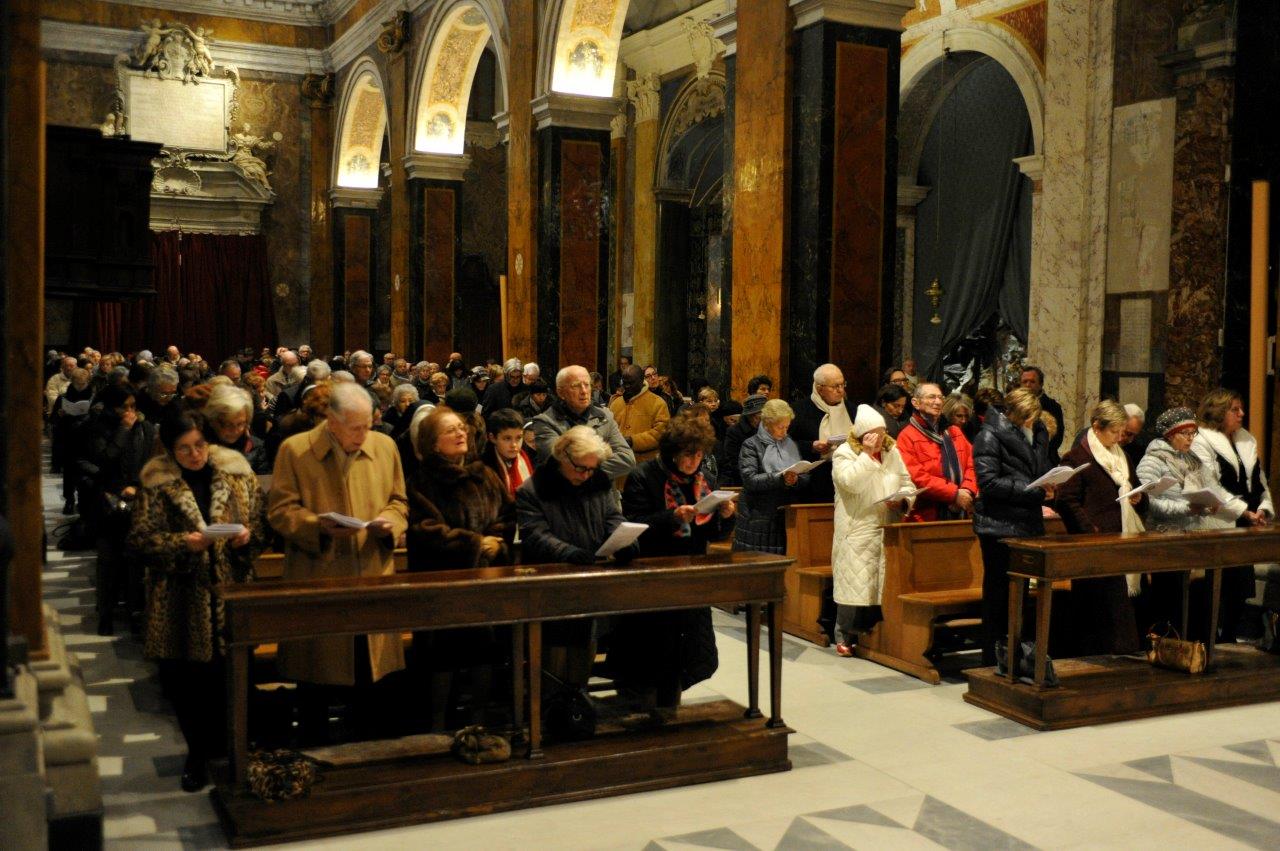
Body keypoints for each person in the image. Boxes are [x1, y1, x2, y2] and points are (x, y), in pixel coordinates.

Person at [126, 411, 267, 791]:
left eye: (200, 445)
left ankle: (236, 751)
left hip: (232, 593)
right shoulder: (158, 482)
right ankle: (198, 755)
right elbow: (140, 541)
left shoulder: (237, 474)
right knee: (189, 686)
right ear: (170, 450)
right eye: (184, 448)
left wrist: (247, 538)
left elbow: (261, 524)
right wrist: (182, 544)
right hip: (181, 599)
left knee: (233, 679)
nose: (194, 454)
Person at [267, 382, 409, 740]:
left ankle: (370, 753)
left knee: (371, 677)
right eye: (355, 428)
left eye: (368, 426)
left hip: (371, 574)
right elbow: (280, 511)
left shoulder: (384, 446)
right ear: (331, 421)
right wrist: (317, 526)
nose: (363, 435)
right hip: (319, 576)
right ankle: (313, 752)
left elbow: (398, 501)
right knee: (316, 678)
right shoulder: (295, 451)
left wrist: (391, 522)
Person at [406, 407, 515, 730]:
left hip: (485, 581)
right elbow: (425, 530)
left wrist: (497, 542)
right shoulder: (423, 480)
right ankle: (437, 726)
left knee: (484, 652)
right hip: (443, 584)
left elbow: (508, 515)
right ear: (433, 443)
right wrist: (474, 544)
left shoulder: (484, 474)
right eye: (450, 430)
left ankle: (479, 724)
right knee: (443, 657)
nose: (460, 433)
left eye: (461, 428)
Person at [617, 413, 733, 709]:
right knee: (653, 658)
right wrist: (672, 517)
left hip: (691, 578)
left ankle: (671, 712)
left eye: (699, 455)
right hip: (652, 577)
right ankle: (645, 713)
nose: (694, 461)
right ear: (672, 452)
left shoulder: (704, 480)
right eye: (688, 455)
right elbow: (632, 526)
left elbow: (712, 534)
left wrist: (725, 516)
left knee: (687, 656)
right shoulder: (644, 476)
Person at [517, 427, 636, 709]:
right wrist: (568, 552)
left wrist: (623, 541)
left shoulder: (597, 480)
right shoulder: (534, 488)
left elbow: (612, 516)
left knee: (584, 649)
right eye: (581, 468)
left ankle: (578, 708)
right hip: (551, 585)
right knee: (554, 656)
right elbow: (535, 534)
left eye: (592, 469)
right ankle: (549, 711)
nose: (586, 476)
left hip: (589, 580)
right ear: (563, 457)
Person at [971, 389, 1057, 665]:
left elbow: (1039, 468)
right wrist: (1033, 490)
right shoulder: (988, 436)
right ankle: (993, 658)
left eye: (1034, 417)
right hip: (998, 526)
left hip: (1027, 523)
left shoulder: (1039, 432)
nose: (1032, 422)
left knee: (1023, 596)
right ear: (1013, 415)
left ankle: (1020, 657)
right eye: (1027, 418)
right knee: (999, 595)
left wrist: (1051, 483)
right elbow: (988, 482)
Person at [1055, 400, 1148, 656]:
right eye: (1114, 431)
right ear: (1097, 427)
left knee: (1122, 607)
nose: (1119, 437)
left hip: (1123, 540)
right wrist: (1090, 531)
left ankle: (1124, 657)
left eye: (1121, 432)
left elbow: (1138, 490)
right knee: (1098, 609)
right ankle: (1097, 658)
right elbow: (1066, 500)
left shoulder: (1122, 456)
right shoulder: (1076, 458)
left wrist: (1139, 497)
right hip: (1093, 544)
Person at [830, 405, 914, 657]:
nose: (879, 438)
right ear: (862, 434)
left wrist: (903, 501)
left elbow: (907, 482)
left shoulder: (892, 451)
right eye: (874, 434)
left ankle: (876, 634)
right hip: (857, 527)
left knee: (881, 582)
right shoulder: (844, 453)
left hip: (887, 525)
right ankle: (844, 634)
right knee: (854, 583)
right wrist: (866, 455)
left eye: (882, 432)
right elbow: (850, 484)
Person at [1191, 389, 1274, 642]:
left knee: (1239, 586)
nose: (1242, 414)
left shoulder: (1245, 440)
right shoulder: (1202, 440)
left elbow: (1259, 479)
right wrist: (1242, 511)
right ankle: (1209, 638)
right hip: (1219, 521)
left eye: (1241, 409)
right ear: (1218, 411)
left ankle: (1230, 636)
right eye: (1234, 409)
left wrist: (1263, 507)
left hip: (1245, 522)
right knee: (1216, 585)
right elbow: (1210, 484)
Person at [77, 385, 157, 632]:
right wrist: (123, 430)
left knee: (135, 560)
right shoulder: (99, 427)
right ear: (113, 407)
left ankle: (134, 613)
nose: (130, 411)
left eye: (133, 406)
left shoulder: (145, 428)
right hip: (107, 500)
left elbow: (149, 461)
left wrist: (137, 486)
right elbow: (103, 459)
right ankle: (106, 613)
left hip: (137, 498)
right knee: (108, 559)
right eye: (124, 407)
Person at [1136, 407, 1218, 638]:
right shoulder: (1152, 460)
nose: (1191, 438)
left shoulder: (1192, 459)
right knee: (1169, 599)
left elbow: (1205, 489)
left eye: (1193, 433)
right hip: (1165, 539)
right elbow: (1147, 501)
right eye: (1185, 433)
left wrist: (1210, 503)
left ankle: (1191, 644)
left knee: (1193, 600)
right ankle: (1166, 644)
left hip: (1191, 536)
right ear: (1170, 434)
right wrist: (1187, 508)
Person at [531, 365, 635, 480]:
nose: (584, 391)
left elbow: (627, 459)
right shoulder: (545, 422)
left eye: (587, 385)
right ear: (561, 393)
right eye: (576, 386)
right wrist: (603, 452)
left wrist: (582, 464)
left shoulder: (604, 416)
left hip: (602, 491)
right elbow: (562, 465)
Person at [734, 399, 809, 553]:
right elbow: (750, 480)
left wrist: (795, 480)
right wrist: (780, 478)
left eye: (787, 427)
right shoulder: (751, 445)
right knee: (756, 561)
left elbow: (804, 474)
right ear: (767, 424)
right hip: (757, 517)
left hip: (783, 514)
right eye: (780, 427)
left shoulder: (789, 444)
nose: (785, 432)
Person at [897, 383, 978, 521]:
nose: (938, 402)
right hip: (926, 515)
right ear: (915, 403)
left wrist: (967, 490)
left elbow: (973, 463)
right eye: (932, 397)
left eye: (941, 397)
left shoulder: (954, 431)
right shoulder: (907, 436)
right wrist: (954, 494)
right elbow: (917, 477)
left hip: (962, 510)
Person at [789, 363, 853, 502]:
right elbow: (784, 445)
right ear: (819, 389)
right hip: (812, 486)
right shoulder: (798, 411)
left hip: (847, 480)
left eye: (842, 384)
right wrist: (811, 446)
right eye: (835, 386)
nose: (841, 390)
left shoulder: (852, 410)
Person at [609, 365, 671, 466]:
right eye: (624, 383)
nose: (627, 386)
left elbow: (660, 433)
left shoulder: (657, 403)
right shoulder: (616, 403)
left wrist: (633, 441)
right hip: (618, 464)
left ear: (641, 381)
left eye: (631, 383)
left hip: (645, 465)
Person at [54, 367, 94, 514]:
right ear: (72, 382)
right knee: (69, 472)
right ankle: (69, 500)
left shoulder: (93, 396)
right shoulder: (64, 397)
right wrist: (60, 414)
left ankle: (85, 502)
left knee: (86, 472)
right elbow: (54, 420)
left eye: (83, 384)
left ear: (88, 382)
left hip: (88, 438)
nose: (80, 386)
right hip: (69, 438)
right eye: (77, 383)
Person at [203, 386, 269, 474]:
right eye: (228, 424)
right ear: (213, 421)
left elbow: (263, 479)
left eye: (240, 424)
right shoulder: (199, 448)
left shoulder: (256, 447)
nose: (235, 431)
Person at [482, 408, 534, 497]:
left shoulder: (525, 457)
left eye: (518, 438)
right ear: (492, 438)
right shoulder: (483, 470)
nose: (514, 445)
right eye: (507, 438)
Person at [1018, 366, 1065, 457]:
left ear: (1041, 384)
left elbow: (1057, 438)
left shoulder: (1052, 406)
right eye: (1025, 381)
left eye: (1032, 382)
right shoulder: (1014, 405)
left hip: (1045, 457)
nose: (1028, 385)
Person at [721, 393, 766, 487]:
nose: (763, 421)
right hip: (743, 481)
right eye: (759, 417)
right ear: (750, 416)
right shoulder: (734, 432)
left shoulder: (768, 429)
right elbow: (732, 462)